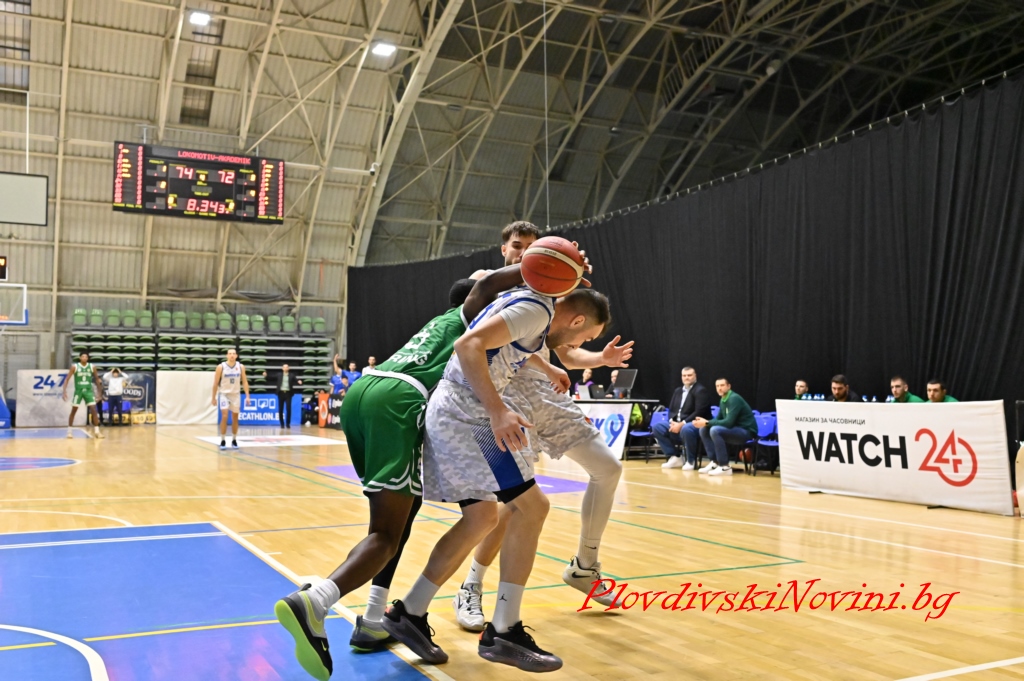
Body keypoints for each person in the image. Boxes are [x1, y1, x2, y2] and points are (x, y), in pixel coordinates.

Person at [273, 266, 532, 681]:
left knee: (401, 512)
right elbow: (485, 287)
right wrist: (532, 269)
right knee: (386, 535)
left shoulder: (438, 325)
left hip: (363, 393)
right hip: (399, 402)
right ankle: (314, 602)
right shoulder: (471, 317)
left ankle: (375, 618)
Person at [383, 287, 611, 672]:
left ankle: (409, 612)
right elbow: (467, 344)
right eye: (585, 337)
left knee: (482, 518)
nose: (578, 344)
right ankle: (504, 630)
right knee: (532, 507)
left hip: (456, 410)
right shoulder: (536, 310)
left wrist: (547, 367)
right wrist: (497, 410)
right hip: (469, 414)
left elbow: (501, 339)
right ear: (576, 320)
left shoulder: (529, 304)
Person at [451, 224, 631, 636]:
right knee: (515, 502)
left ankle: (585, 566)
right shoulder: (489, 285)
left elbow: (566, 352)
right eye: (518, 247)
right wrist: (546, 364)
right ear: (505, 249)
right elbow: (480, 339)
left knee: (608, 468)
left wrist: (599, 359)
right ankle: (472, 585)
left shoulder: (554, 293)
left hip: (544, 394)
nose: (525, 253)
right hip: (503, 393)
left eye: (534, 248)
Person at [693, 378, 757, 476]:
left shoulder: (734, 398)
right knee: (704, 429)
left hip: (746, 432)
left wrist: (707, 422)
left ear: (728, 386)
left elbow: (729, 422)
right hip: (734, 430)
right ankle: (715, 462)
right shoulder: (723, 399)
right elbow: (718, 419)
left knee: (715, 430)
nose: (719, 388)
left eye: (722, 385)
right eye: (717, 386)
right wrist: (705, 423)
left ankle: (724, 466)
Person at [658, 367, 713, 469]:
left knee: (686, 428)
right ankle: (674, 457)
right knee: (658, 427)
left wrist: (682, 424)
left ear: (695, 376)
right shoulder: (678, 391)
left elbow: (699, 411)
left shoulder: (700, 390)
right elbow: (672, 409)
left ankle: (690, 461)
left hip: (695, 424)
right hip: (678, 423)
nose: (686, 377)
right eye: (684, 375)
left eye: (689, 375)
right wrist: (672, 421)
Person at [211, 348, 250, 451]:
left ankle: (234, 439)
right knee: (224, 415)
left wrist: (247, 396)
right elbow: (215, 383)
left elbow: (245, 382)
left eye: (233, 353)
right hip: (224, 394)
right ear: (227, 355)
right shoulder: (221, 367)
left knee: (235, 417)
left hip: (235, 394)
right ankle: (223, 440)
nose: (232, 355)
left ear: (236, 356)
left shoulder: (241, 367)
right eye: (230, 353)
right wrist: (213, 397)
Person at [62, 351, 104, 439]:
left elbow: (97, 379)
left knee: (93, 410)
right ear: (80, 358)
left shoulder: (92, 367)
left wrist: (99, 393)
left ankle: (97, 432)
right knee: (74, 410)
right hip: (79, 391)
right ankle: (69, 432)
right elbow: (67, 379)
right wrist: (64, 391)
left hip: (88, 391)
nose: (84, 358)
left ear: (88, 358)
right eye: (83, 356)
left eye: (86, 357)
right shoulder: (75, 367)